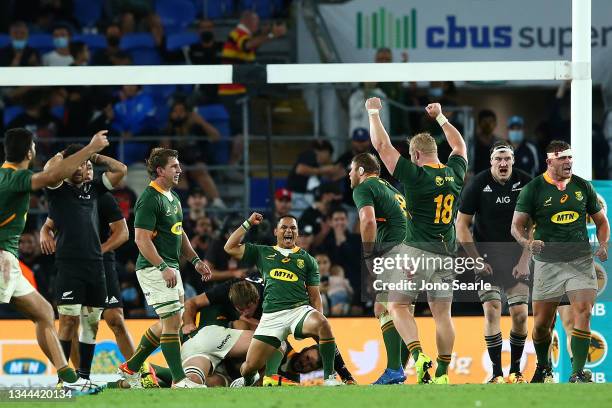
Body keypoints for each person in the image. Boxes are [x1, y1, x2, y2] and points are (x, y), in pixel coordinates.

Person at [367, 97, 468, 384]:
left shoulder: (415, 175)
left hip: (416, 252)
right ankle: (443, 373)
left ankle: (419, 354)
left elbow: (382, 147)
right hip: (447, 254)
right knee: (443, 315)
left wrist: (373, 113)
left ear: (415, 155)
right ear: (436, 152)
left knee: (396, 305)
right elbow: (460, 146)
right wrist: (441, 118)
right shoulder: (454, 173)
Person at [0, 127, 109, 393]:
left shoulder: (5, 174)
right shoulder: (15, 177)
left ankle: (69, 381)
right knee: (45, 314)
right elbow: (52, 175)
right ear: (30, 152)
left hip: (9, 262)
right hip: (1, 260)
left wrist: (65, 152)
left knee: (44, 313)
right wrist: (90, 148)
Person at [511, 140, 609, 383]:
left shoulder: (582, 187)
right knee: (543, 324)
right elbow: (516, 226)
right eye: (562, 158)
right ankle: (543, 367)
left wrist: (603, 244)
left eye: (570, 157)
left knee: (583, 313)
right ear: (549, 161)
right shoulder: (533, 189)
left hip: (580, 261)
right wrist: (527, 244)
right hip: (547, 263)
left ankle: (577, 373)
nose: (568, 162)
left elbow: (602, 222)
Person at [117, 148, 212, 389]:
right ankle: (180, 380)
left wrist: (195, 260)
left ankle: (130, 367)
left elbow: (180, 233)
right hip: (153, 268)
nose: (180, 170)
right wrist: (162, 267)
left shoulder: (172, 196)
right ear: (160, 170)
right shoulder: (149, 198)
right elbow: (141, 239)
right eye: (174, 166)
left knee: (172, 321)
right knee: (171, 322)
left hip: (170, 267)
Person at [224, 213, 343, 386]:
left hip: (298, 311)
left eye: (293, 228)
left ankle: (329, 378)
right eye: (284, 227)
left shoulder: (307, 260)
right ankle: (250, 379)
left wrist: (318, 324)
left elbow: (315, 296)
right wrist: (248, 223)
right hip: (271, 316)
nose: (289, 231)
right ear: (275, 231)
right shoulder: (262, 252)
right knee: (249, 367)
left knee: (323, 323)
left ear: (297, 233)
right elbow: (229, 247)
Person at [42, 142, 127, 382]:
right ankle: (63, 381)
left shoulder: (95, 189)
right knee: (68, 320)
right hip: (69, 265)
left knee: (92, 324)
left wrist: (95, 155)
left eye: (84, 164)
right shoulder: (57, 189)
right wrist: (65, 154)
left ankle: (84, 378)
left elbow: (121, 169)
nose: (81, 168)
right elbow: (50, 169)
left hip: (95, 265)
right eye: (76, 164)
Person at [456, 142, 532, 383]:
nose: (503, 163)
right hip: (487, 257)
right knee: (492, 311)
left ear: (513, 161)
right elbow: (461, 226)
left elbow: (533, 226)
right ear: (491, 162)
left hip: (516, 256)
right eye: (498, 159)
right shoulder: (477, 184)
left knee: (520, 314)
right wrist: (476, 261)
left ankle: (516, 371)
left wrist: (524, 260)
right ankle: (497, 373)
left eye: (507, 159)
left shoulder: (526, 182)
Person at [349, 152, 408, 384]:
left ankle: (394, 370)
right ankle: (400, 372)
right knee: (402, 312)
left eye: (352, 169)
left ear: (362, 172)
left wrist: (369, 254)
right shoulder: (391, 189)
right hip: (414, 250)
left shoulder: (364, 188)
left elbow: (368, 220)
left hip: (394, 252)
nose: (349, 174)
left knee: (382, 309)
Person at [219, 10, 287, 136]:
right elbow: (247, 45)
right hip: (231, 90)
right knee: (239, 130)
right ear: (247, 21)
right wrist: (271, 35)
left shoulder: (244, 35)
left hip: (240, 88)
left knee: (243, 129)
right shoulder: (237, 33)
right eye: (256, 21)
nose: (258, 24)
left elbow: (252, 44)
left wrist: (267, 32)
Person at [286, 140, 338, 211]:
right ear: (325, 152)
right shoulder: (310, 154)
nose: (328, 159)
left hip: (307, 196)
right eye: (329, 156)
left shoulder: (317, 165)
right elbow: (300, 169)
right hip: (297, 195)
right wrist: (323, 170)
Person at [473, 110, 503, 174]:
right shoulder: (472, 143)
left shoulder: (499, 144)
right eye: (484, 121)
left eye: (490, 121)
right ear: (479, 123)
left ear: (495, 124)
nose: (487, 124)